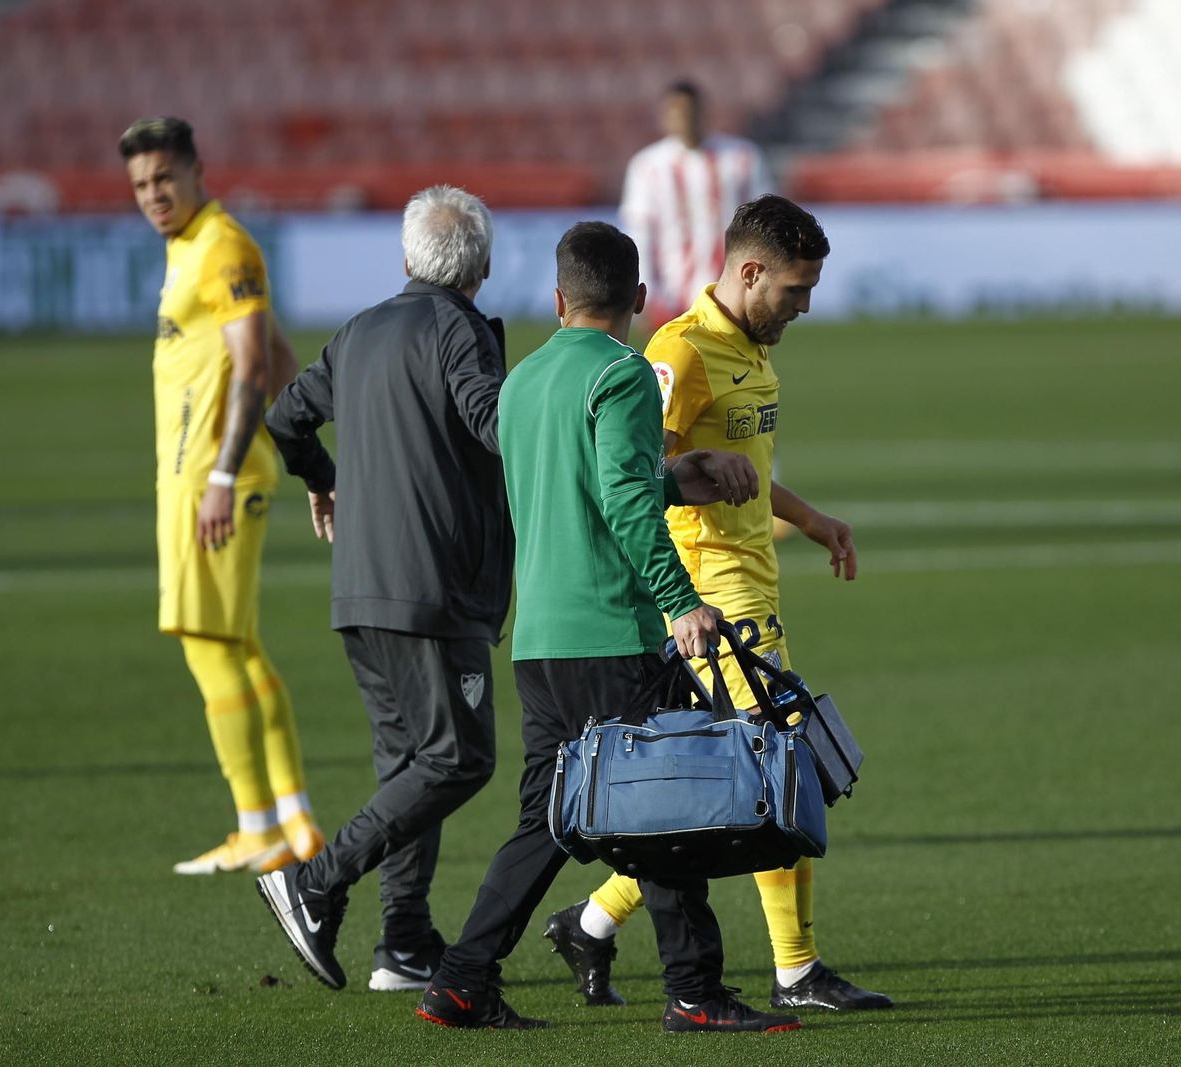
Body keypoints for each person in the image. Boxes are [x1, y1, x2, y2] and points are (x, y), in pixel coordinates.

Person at [417, 221, 797, 1033]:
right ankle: (695, 990)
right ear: (638, 299)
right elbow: (620, 502)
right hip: (612, 634)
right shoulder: (623, 374)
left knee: (548, 819)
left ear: (558, 299)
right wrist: (680, 596)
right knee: (672, 802)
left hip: (540, 641)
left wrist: (673, 477)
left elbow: (579, 487)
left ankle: (459, 979)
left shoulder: (520, 382)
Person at [542, 196, 893, 1013]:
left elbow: (739, 469)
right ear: (748, 271)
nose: (803, 307)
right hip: (710, 594)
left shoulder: (749, 349)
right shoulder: (680, 352)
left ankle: (590, 923)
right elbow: (642, 470)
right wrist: (679, 598)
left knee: (722, 781)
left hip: (753, 579)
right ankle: (797, 970)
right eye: (794, 290)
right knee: (781, 762)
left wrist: (809, 518)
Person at [255, 186, 511, 994]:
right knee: (458, 759)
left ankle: (403, 941)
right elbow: (496, 424)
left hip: (360, 589)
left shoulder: (360, 330)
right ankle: (315, 881)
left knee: (410, 763)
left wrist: (323, 483)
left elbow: (285, 420)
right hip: (432, 584)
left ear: (405, 259)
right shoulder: (459, 332)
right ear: (487, 267)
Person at [121, 116, 324, 876]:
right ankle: (295, 821)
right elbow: (275, 349)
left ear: (196, 170)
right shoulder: (190, 249)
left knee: (208, 649)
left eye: (163, 178)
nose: (153, 195)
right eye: (140, 184)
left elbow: (250, 367)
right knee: (235, 646)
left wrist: (220, 474)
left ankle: (254, 826)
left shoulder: (222, 244)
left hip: (214, 478)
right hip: (205, 475)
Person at [619, 80, 774, 328]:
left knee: (733, 367)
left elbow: (766, 226)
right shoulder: (647, 166)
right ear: (663, 117)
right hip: (672, 297)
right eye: (676, 112)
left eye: (690, 111)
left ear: (703, 112)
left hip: (731, 293)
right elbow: (640, 233)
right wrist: (643, 290)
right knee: (675, 366)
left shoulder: (742, 158)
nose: (684, 119)